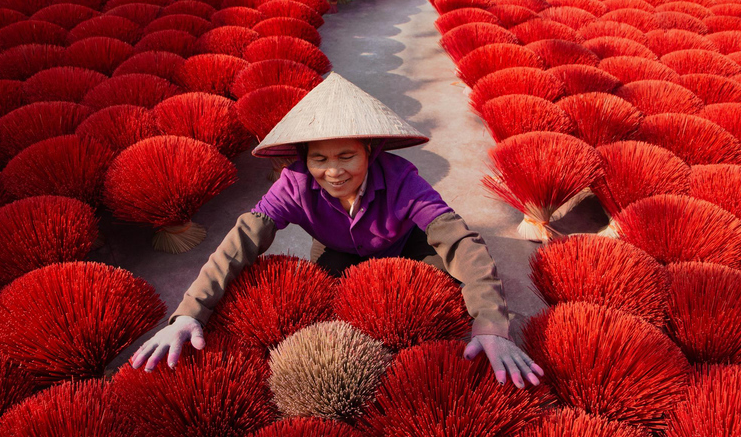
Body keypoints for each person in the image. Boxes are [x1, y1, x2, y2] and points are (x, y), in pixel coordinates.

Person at [130, 73, 544, 389]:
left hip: (408, 247)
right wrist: (188, 314)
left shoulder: (401, 178)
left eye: (347, 155)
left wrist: (491, 324)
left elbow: (458, 240)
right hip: (337, 251)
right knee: (332, 310)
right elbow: (239, 244)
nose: (333, 171)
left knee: (443, 297)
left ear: (371, 150)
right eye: (320, 159)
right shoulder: (293, 184)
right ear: (303, 159)